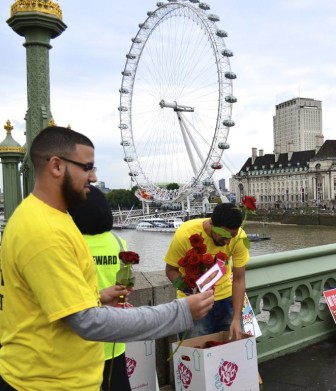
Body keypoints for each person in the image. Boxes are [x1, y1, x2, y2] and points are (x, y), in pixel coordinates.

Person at [0, 126, 214, 391]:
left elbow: (46, 301)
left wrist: (97, 297)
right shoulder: (44, 231)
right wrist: (180, 312)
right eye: (87, 167)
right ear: (56, 166)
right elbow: (87, 322)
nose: (94, 177)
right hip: (47, 383)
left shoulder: (52, 217)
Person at [68, 185, 131, 391]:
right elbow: (127, 284)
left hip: (80, 336)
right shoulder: (119, 243)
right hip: (113, 332)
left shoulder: (70, 244)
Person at [165, 203, 250, 341]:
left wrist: (236, 318)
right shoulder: (185, 234)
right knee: (195, 354)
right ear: (212, 223)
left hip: (227, 299)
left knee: (232, 353)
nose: (228, 241)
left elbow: (239, 279)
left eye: (232, 236)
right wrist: (190, 290)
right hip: (195, 302)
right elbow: (170, 270)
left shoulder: (240, 237)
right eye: (224, 235)